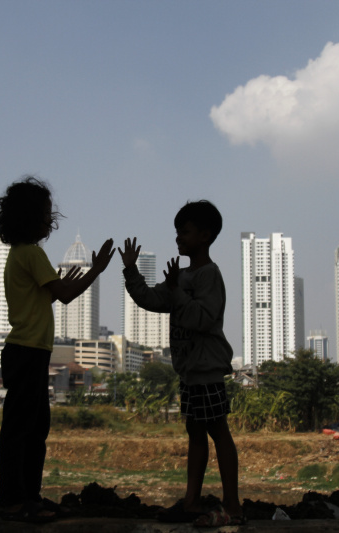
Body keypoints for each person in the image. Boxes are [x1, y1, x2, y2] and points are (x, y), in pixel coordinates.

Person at [0, 176, 115, 522]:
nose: (51, 220)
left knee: (33, 428)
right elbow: (64, 294)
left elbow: (55, 292)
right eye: (48, 214)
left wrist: (78, 278)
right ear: (35, 218)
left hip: (30, 351)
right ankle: (14, 503)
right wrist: (97, 270)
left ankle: (28, 497)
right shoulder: (32, 253)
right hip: (27, 351)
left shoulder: (21, 254)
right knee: (22, 429)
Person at [119, 200, 244, 527]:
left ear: (205, 235)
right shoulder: (183, 275)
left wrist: (176, 291)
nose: (178, 238)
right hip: (190, 371)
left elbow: (200, 318)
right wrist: (131, 270)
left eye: (184, 232)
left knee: (218, 431)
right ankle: (192, 501)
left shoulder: (208, 275)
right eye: (177, 232)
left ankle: (232, 505)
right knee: (196, 432)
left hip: (206, 369)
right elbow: (149, 299)